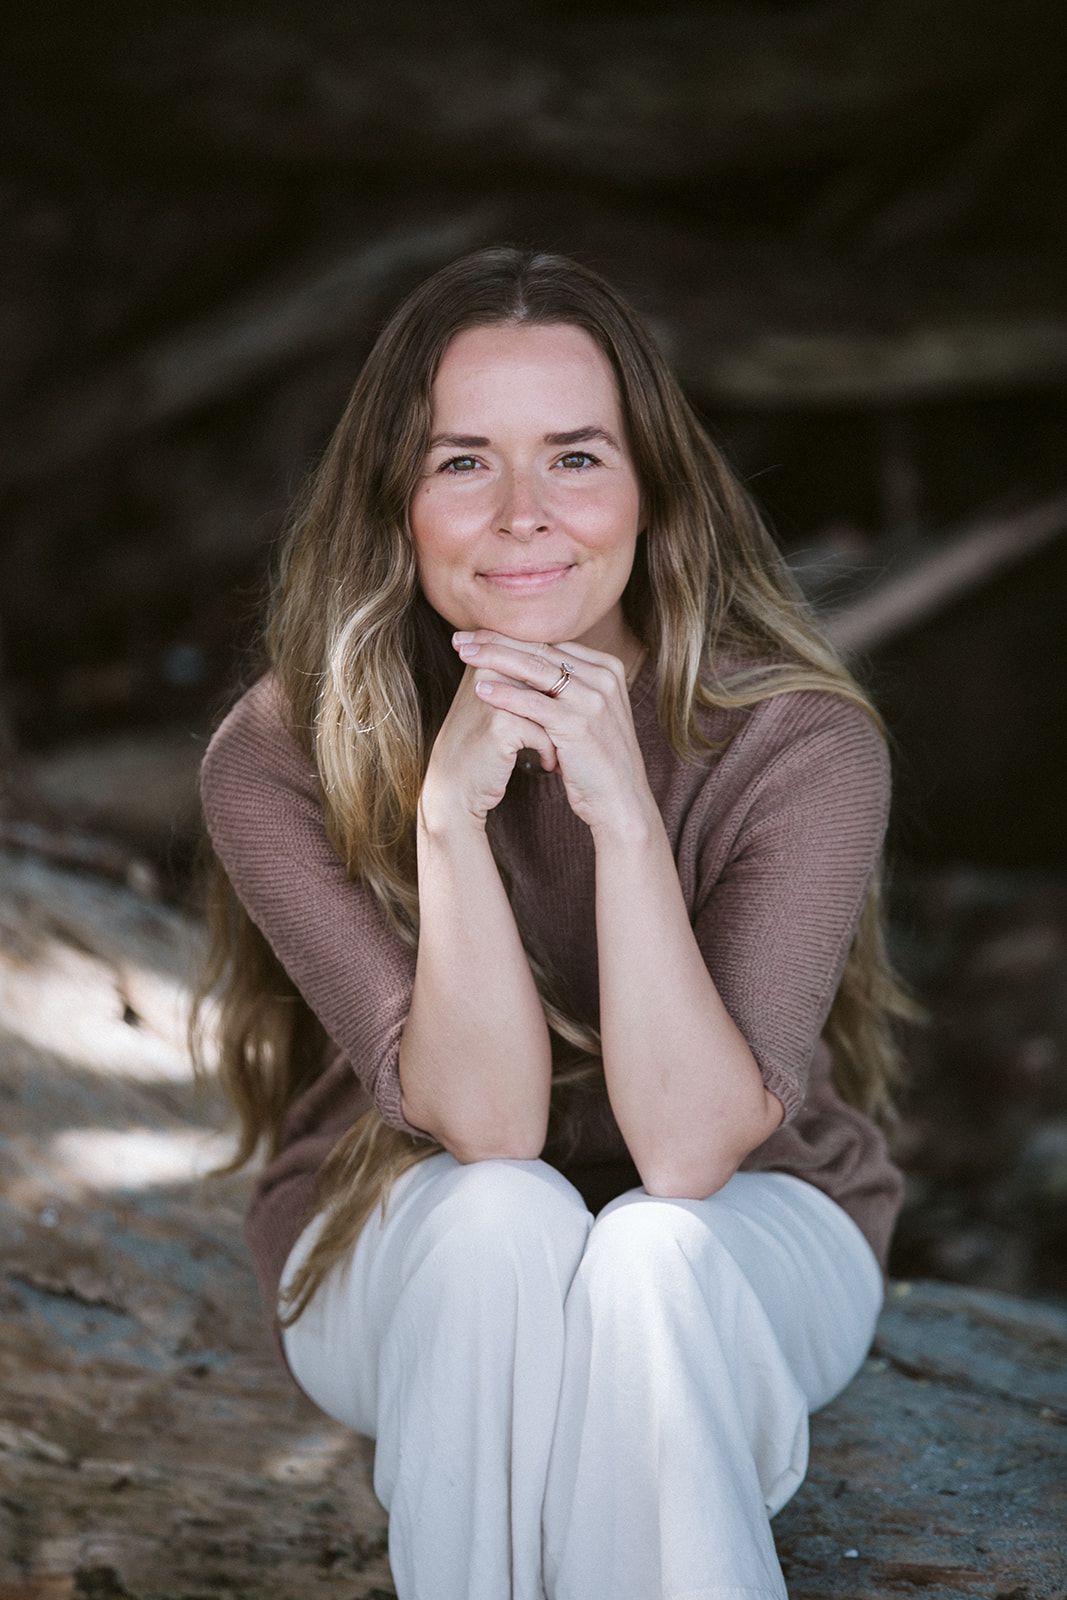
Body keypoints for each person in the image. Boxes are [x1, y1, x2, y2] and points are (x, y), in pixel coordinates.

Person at [189, 244, 920, 1600]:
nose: (523, 514)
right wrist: (447, 819)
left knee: (648, 1254)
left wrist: (625, 817)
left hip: (755, 1229)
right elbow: (489, 1129)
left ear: (654, 493)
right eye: (463, 461)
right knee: (502, 1219)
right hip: (394, 1234)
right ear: (395, 502)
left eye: (576, 458)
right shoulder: (281, 754)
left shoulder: (799, 743)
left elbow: (690, 1152)